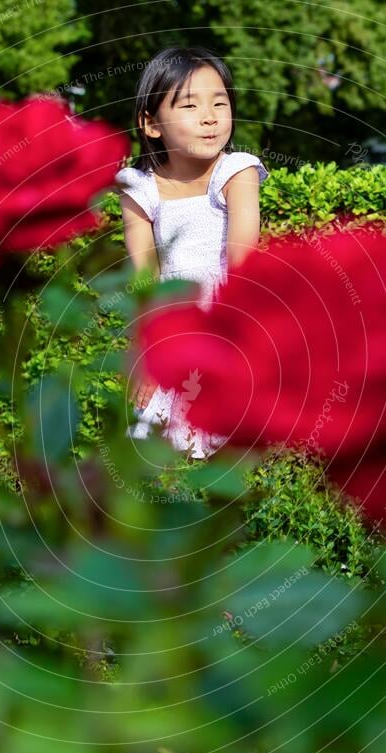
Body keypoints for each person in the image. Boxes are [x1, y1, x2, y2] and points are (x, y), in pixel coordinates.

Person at [116, 46, 269, 458]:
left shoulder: (235, 172)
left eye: (220, 102)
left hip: (228, 322)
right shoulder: (139, 188)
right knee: (161, 455)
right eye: (190, 105)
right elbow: (145, 277)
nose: (210, 116)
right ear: (151, 124)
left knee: (235, 452)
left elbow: (242, 262)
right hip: (174, 330)